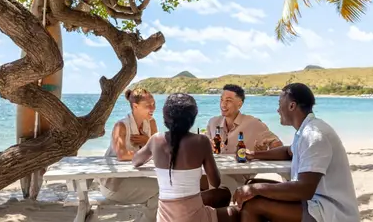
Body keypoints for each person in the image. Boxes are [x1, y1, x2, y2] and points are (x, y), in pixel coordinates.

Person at [232, 83, 359, 222]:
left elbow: (304, 190)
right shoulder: (306, 131)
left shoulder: (314, 135)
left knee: (253, 205)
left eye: (280, 104)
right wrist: (254, 155)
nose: (277, 110)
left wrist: (255, 189)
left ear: (292, 106)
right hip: (313, 202)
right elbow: (288, 152)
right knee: (252, 183)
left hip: (328, 211)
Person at [132, 93, 236, 222]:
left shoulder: (155, 140)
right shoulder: (201, 141)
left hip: (165, 218)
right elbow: (215, 182)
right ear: (192, 118)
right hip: (194, 218)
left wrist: (153, 152)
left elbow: (136, 161)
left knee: (221, 194)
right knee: (232, 207)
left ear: (165, 117)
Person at [203, 84, 284, 192]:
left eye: (228, 101)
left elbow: (277, 144)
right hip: (215, 173)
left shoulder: (253, 123)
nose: (223, 104)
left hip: (240, 178)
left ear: (239, 104)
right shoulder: (213, 122)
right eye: (221, 100)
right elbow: (206, 147)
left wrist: (261, 153)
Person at [99, 88, 160, 222]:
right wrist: (150, 147)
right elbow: (123, 155)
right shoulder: (120, 126)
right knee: (162, 189)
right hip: (114, 184)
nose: (153, 108)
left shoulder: (151, 123)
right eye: (148, 105)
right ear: (135, 106)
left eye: (153, 104)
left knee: (167, 186)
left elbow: (159, 150)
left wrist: (147, 141)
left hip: (136, 178)